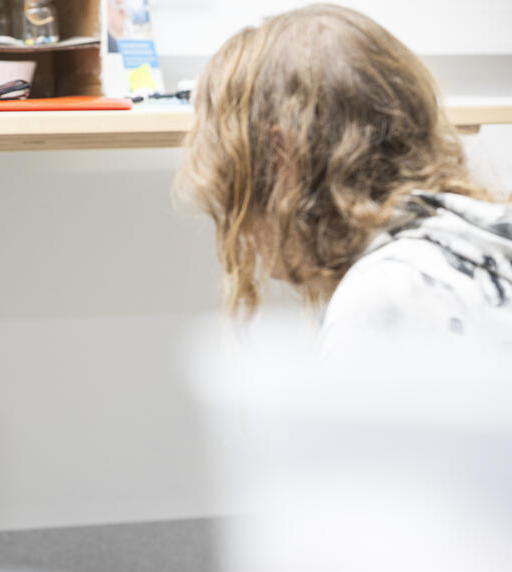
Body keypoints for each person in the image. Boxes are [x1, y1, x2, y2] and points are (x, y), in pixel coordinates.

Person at [176, 3, 512, 353]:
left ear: (282, 156)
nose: (239, 225)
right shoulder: (480, 244)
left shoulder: (381, 301)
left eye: (234, 179)